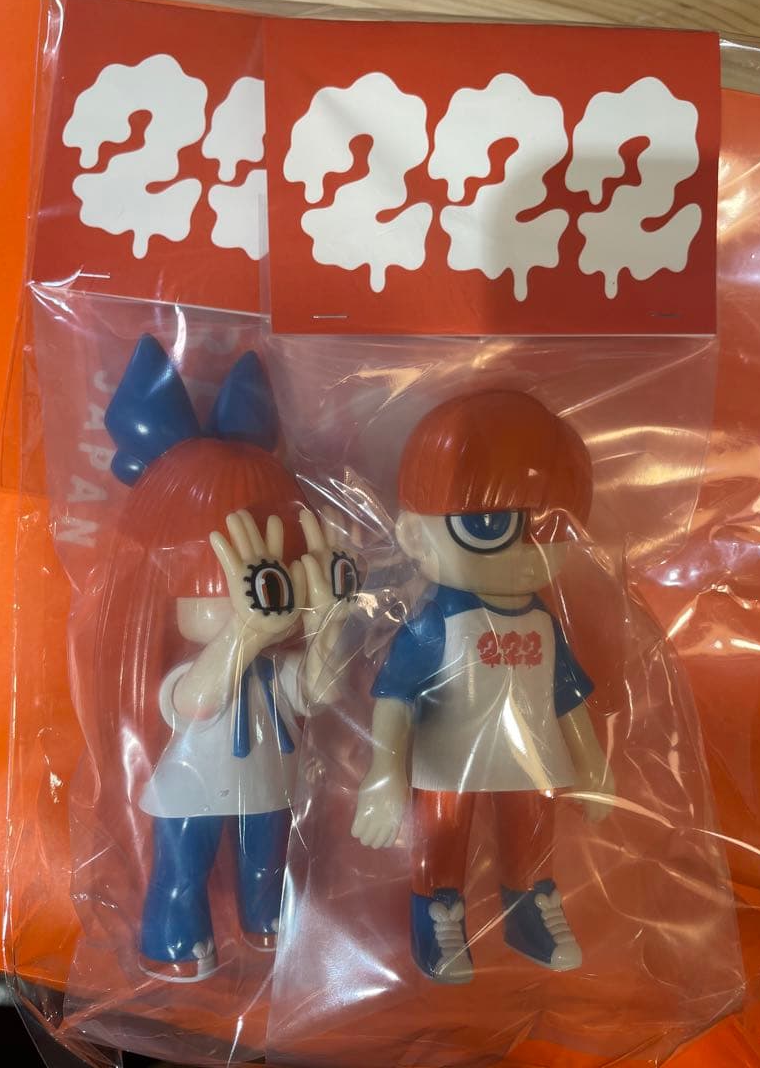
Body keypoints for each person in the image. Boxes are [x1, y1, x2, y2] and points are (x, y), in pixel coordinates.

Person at [99, 336, 358, 982]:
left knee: (266, 863)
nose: (258, 608)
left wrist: (328, 625)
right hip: (193, 781)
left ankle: (265, 921)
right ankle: (174, 939)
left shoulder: (273, 668)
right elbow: (195, 701)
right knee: (183, 867)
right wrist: (241, 631)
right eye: (212, 593)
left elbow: (319, 691)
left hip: (269, 781)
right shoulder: (198, 661)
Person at [352, 390, 614, 984]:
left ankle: (530, 908)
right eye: (491, 525)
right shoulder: (436, 622)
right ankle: (437, 913)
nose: (525, 549)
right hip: (448, 759)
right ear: (413, 535)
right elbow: (394, 697)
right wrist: (384, 772)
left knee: (532, 835)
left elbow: (566, 698)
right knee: (440, 839)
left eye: (546, 527)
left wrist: (593, 765)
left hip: (532, 759)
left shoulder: (543, 622)